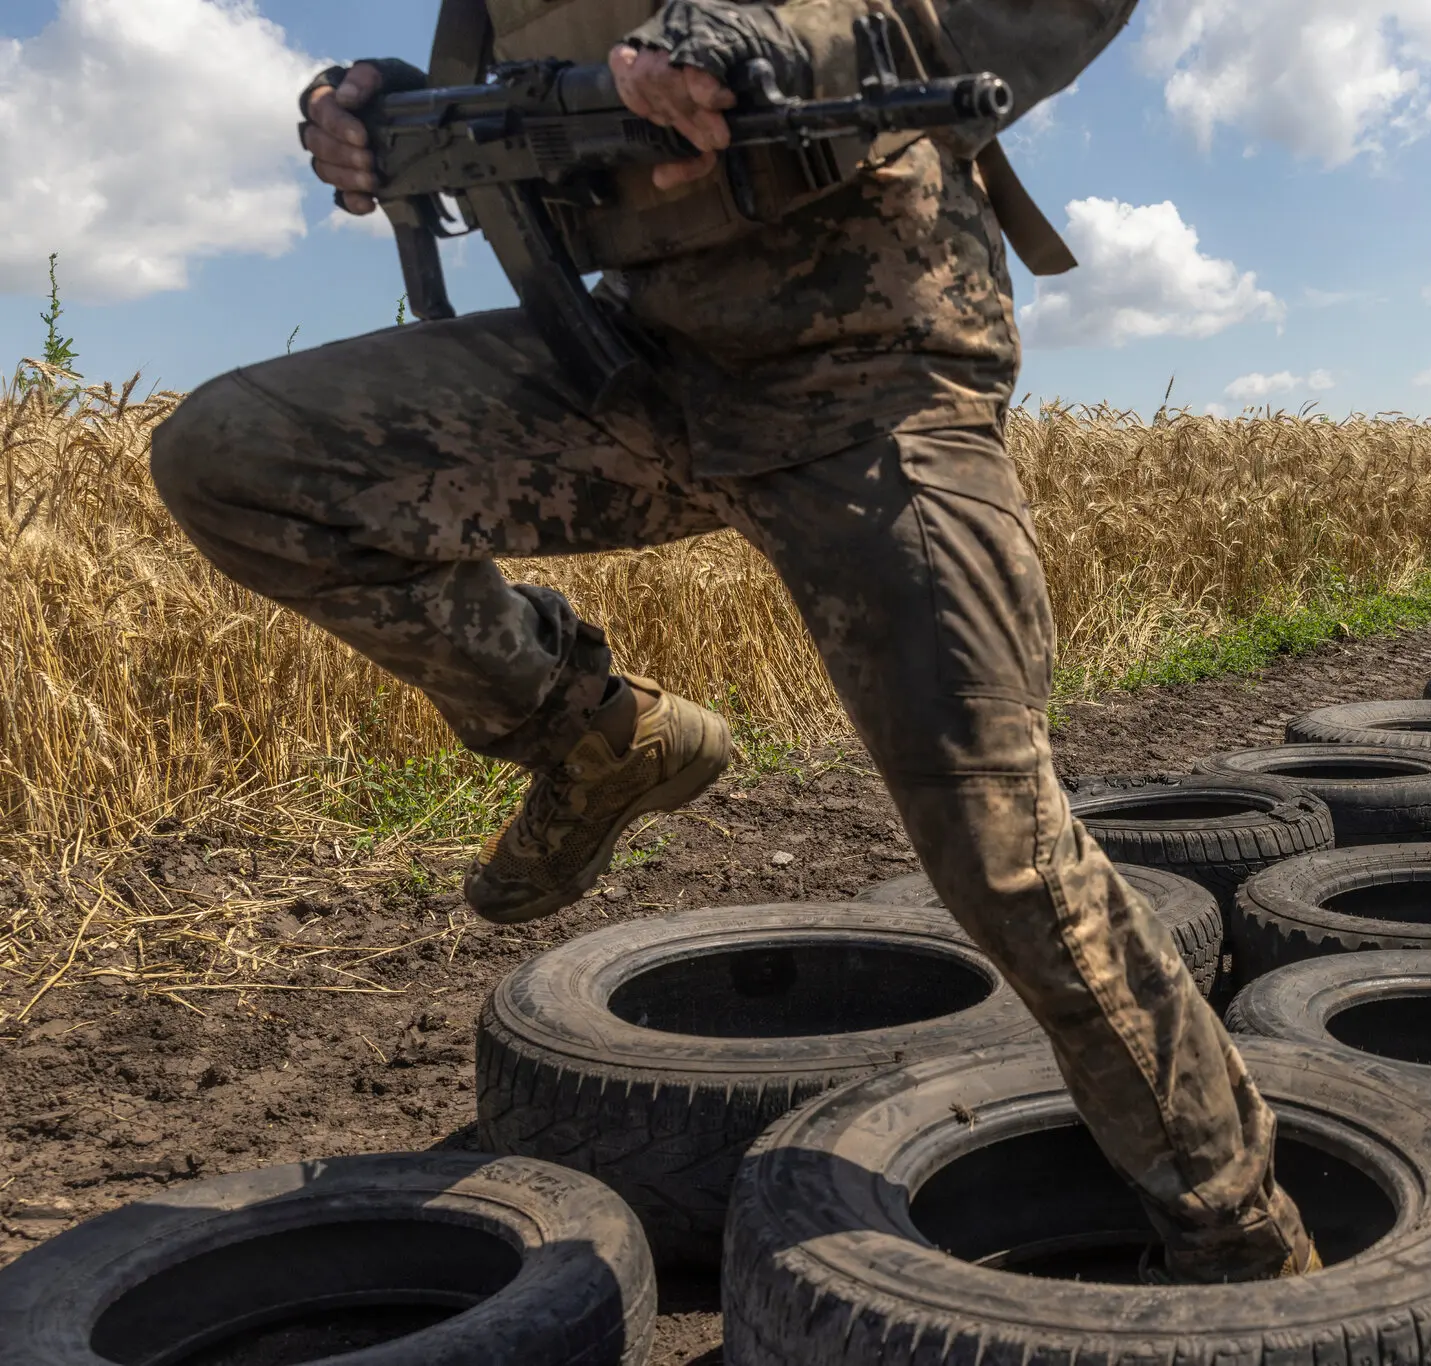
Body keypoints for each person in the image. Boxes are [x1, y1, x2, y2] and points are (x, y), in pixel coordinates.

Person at [146, 0, 1316, 1284]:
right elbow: (522, 101)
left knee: (997, 844)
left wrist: (753, 42)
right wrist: (389, 119)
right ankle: (592, 734)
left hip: (868, 368)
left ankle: (1237, 1231)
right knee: (238, 457)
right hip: (638, 363)